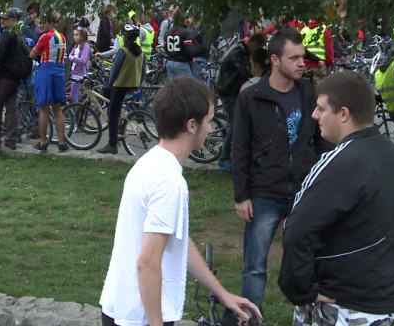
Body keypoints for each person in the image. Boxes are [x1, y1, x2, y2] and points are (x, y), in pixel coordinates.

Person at [100, 76, 262, 326]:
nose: (211, 129)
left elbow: (178, 241)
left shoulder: (151, 161)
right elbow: (147, 263)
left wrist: (221, 293)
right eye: (208, 122)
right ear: (191, 125)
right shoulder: (168, 182)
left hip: (122, 308)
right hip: (139, 318)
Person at [278, 71, 394, 325]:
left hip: (345, 302)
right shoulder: (392, 154)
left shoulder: (340, 162)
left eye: (320, 109)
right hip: (386, 295)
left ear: (343, 113)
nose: (314, 115)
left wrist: (299, 289)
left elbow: (296, 230)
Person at [231, 26, 329, 323]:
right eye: (295, 58)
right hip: (265, 194)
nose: (302, 63)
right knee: (255, 266)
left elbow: (322, 141)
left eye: (303, 57)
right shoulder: (251, 97)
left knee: (308, 264)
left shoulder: (310, 93)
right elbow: (240, 148)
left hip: (303, 192)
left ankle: (307, 317)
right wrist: (242, 195)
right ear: (275, 60)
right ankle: (251, 318)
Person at [214, 32, 267, 172]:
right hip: (227, 91)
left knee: (237, 121)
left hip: (232, 89)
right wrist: (259, 81)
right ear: (254, 44)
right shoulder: (238, 52)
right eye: (258, 48)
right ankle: (224, 160)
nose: (257, 52)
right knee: (236, 124)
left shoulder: (242, 49)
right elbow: (245, 72)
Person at [96, 24, 144, 154]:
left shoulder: (123, 51)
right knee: (113, 103)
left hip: (121, 84)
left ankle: (112, 144)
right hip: (132, 84)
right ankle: (117, 128)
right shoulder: (140, 52)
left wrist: (109, 83)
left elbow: (115, 69)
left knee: (112, 112)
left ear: (125, 37)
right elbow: (142, 70)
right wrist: (137, 85)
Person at [0, 7, 27, 150]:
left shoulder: (7, 34)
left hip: (4, 76)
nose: (2, 21)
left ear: (13, 20)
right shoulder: (19, 34)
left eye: (6, 19)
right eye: (2, 18)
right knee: (11, 109)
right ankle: (11, 140)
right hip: (15, 78)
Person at [29, 13, 67, 152]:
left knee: (43, 108)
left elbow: (32, 54)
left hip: (46, 71)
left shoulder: (45, 37)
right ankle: (62, 143)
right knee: (58, 109)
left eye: (43, 23)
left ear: (51, 23)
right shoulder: (61, 36)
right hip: (60, 72)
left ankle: (43, 142)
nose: (40, 26)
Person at [164, 11, 198, 81]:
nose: (188, 20)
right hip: (181, 63)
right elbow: (188, 50)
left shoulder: (167, 32)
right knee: (188, 88)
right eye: (186, 18)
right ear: (181, 20)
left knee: (173, 87)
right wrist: (191, 59)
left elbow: (165, 48)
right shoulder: (185, 32)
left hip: (170, 62)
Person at [67, 25, 91, 103]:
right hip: (74, 72)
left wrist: (72, 58)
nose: (74, 37)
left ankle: (77, 114)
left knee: (73, 97)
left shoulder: (86, 46)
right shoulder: (76, 46)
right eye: (74, 34)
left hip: (80, 74)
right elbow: (70, 56)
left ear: (82, 37)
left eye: (76, 35)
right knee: (72, 95)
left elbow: (83, 60)